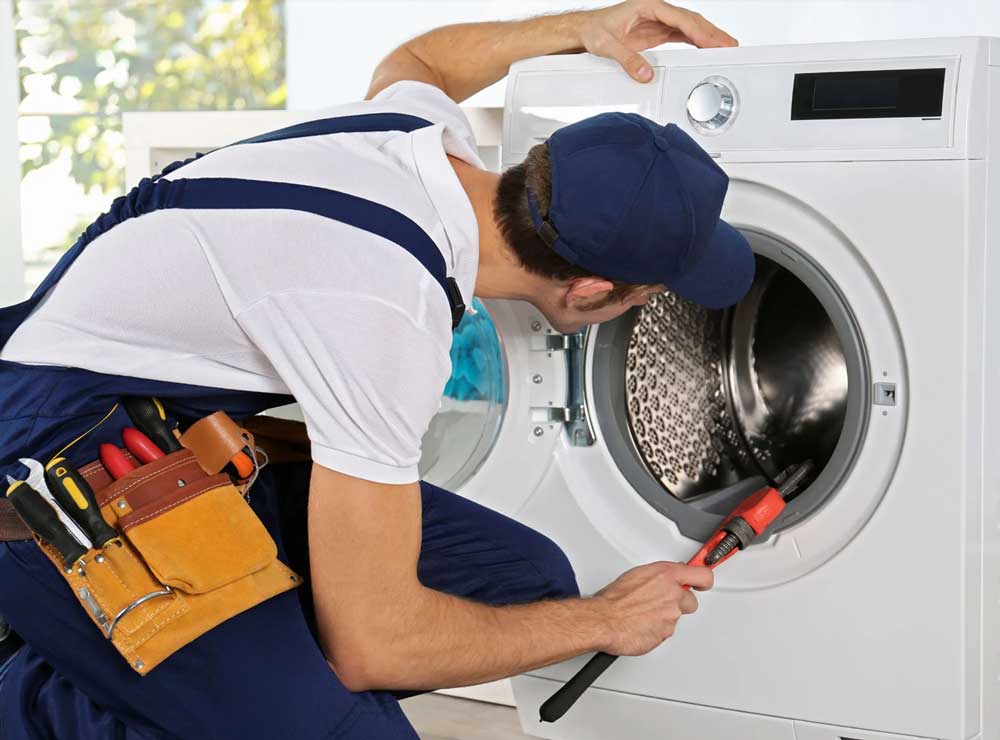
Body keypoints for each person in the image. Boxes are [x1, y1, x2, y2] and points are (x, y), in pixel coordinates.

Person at [0, 1, 752, 737]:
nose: (645, 308)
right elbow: (373, 647)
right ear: (588, 289)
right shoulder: (387, 314)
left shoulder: (413, 138)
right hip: (48, 473)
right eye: (649, 294)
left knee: (525, 586)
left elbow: (421, 61)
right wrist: (607, 620)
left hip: (158, 437)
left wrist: (575, 27)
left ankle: (156, 673)